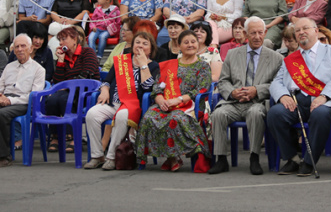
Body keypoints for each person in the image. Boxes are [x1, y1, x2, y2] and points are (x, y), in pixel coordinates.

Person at [267, 18, 331, 175]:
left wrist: (324, 96)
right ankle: (292, 159)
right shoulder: (290, 59)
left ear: (316, 31)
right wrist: (283, 96)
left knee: (321, 114)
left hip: (322, 100)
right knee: (274, 114)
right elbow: (276, 82)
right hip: (295, 101)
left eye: (305, 28)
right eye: (297, 30)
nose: (301, 32)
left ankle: (309, 161)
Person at [208, 16, 284, 175]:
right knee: (218, 114)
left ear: (266, 32)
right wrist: (232, 92)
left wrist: (257, 90)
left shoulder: (276, 58)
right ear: (245, 33)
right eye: (253, 33)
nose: (257, 37)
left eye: (260, 32)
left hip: (258, 102)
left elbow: (278, 85)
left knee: (255, 113)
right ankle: (221, 159)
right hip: (234, 102)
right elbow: (223, 81)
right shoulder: (232, 54)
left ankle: (254, 158)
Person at [136, 30, 212, 171]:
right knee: (149, 117)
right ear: (179, 46)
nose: (190, 45)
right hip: (166, 102)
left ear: (198, 43)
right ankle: (171, 157)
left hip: (189, 104)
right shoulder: (168, 64)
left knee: (175, 118)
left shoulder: (203, 66)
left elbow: (201, 89)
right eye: (186, 42)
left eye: (193, 42)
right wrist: (159, 99)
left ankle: (174, 156)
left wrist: (177, 100)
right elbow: (157, 86)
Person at [83, 30, 160, 170]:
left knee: (122, 116)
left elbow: (149, 88)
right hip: (113, 102)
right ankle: (97, 155)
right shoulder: (122, 60)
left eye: (145, 43)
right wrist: (105, 90)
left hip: (132, 105)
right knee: (92, 114)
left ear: (151, 48)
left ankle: (112, 157)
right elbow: (106, 81)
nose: (140, 46)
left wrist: (143, 65)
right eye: (137, 42)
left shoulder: (153, 65)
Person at [0, 34, 45, 168]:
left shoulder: (38, 70)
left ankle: (5, 156)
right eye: (17, 47)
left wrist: (9, 101)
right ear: (13, 50)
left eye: (23, 46)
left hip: (22, 103)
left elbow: (34, 96)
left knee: (0, 114)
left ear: (30, 49)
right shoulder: (9, 66)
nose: (20, 49)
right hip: (3, 99)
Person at [44, 26, 100, 153]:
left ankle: (75, 137)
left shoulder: (87, 52)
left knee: (65, 99)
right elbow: (58, 82)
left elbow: (87, 74)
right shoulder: (64, 57)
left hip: (86, 93)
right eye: (60, 40)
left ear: (75, 39)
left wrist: (67, 86)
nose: (61, 43)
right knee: (52, 100)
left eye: (64, 39)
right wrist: (61, 61)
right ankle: (56, 137)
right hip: (68, 93)